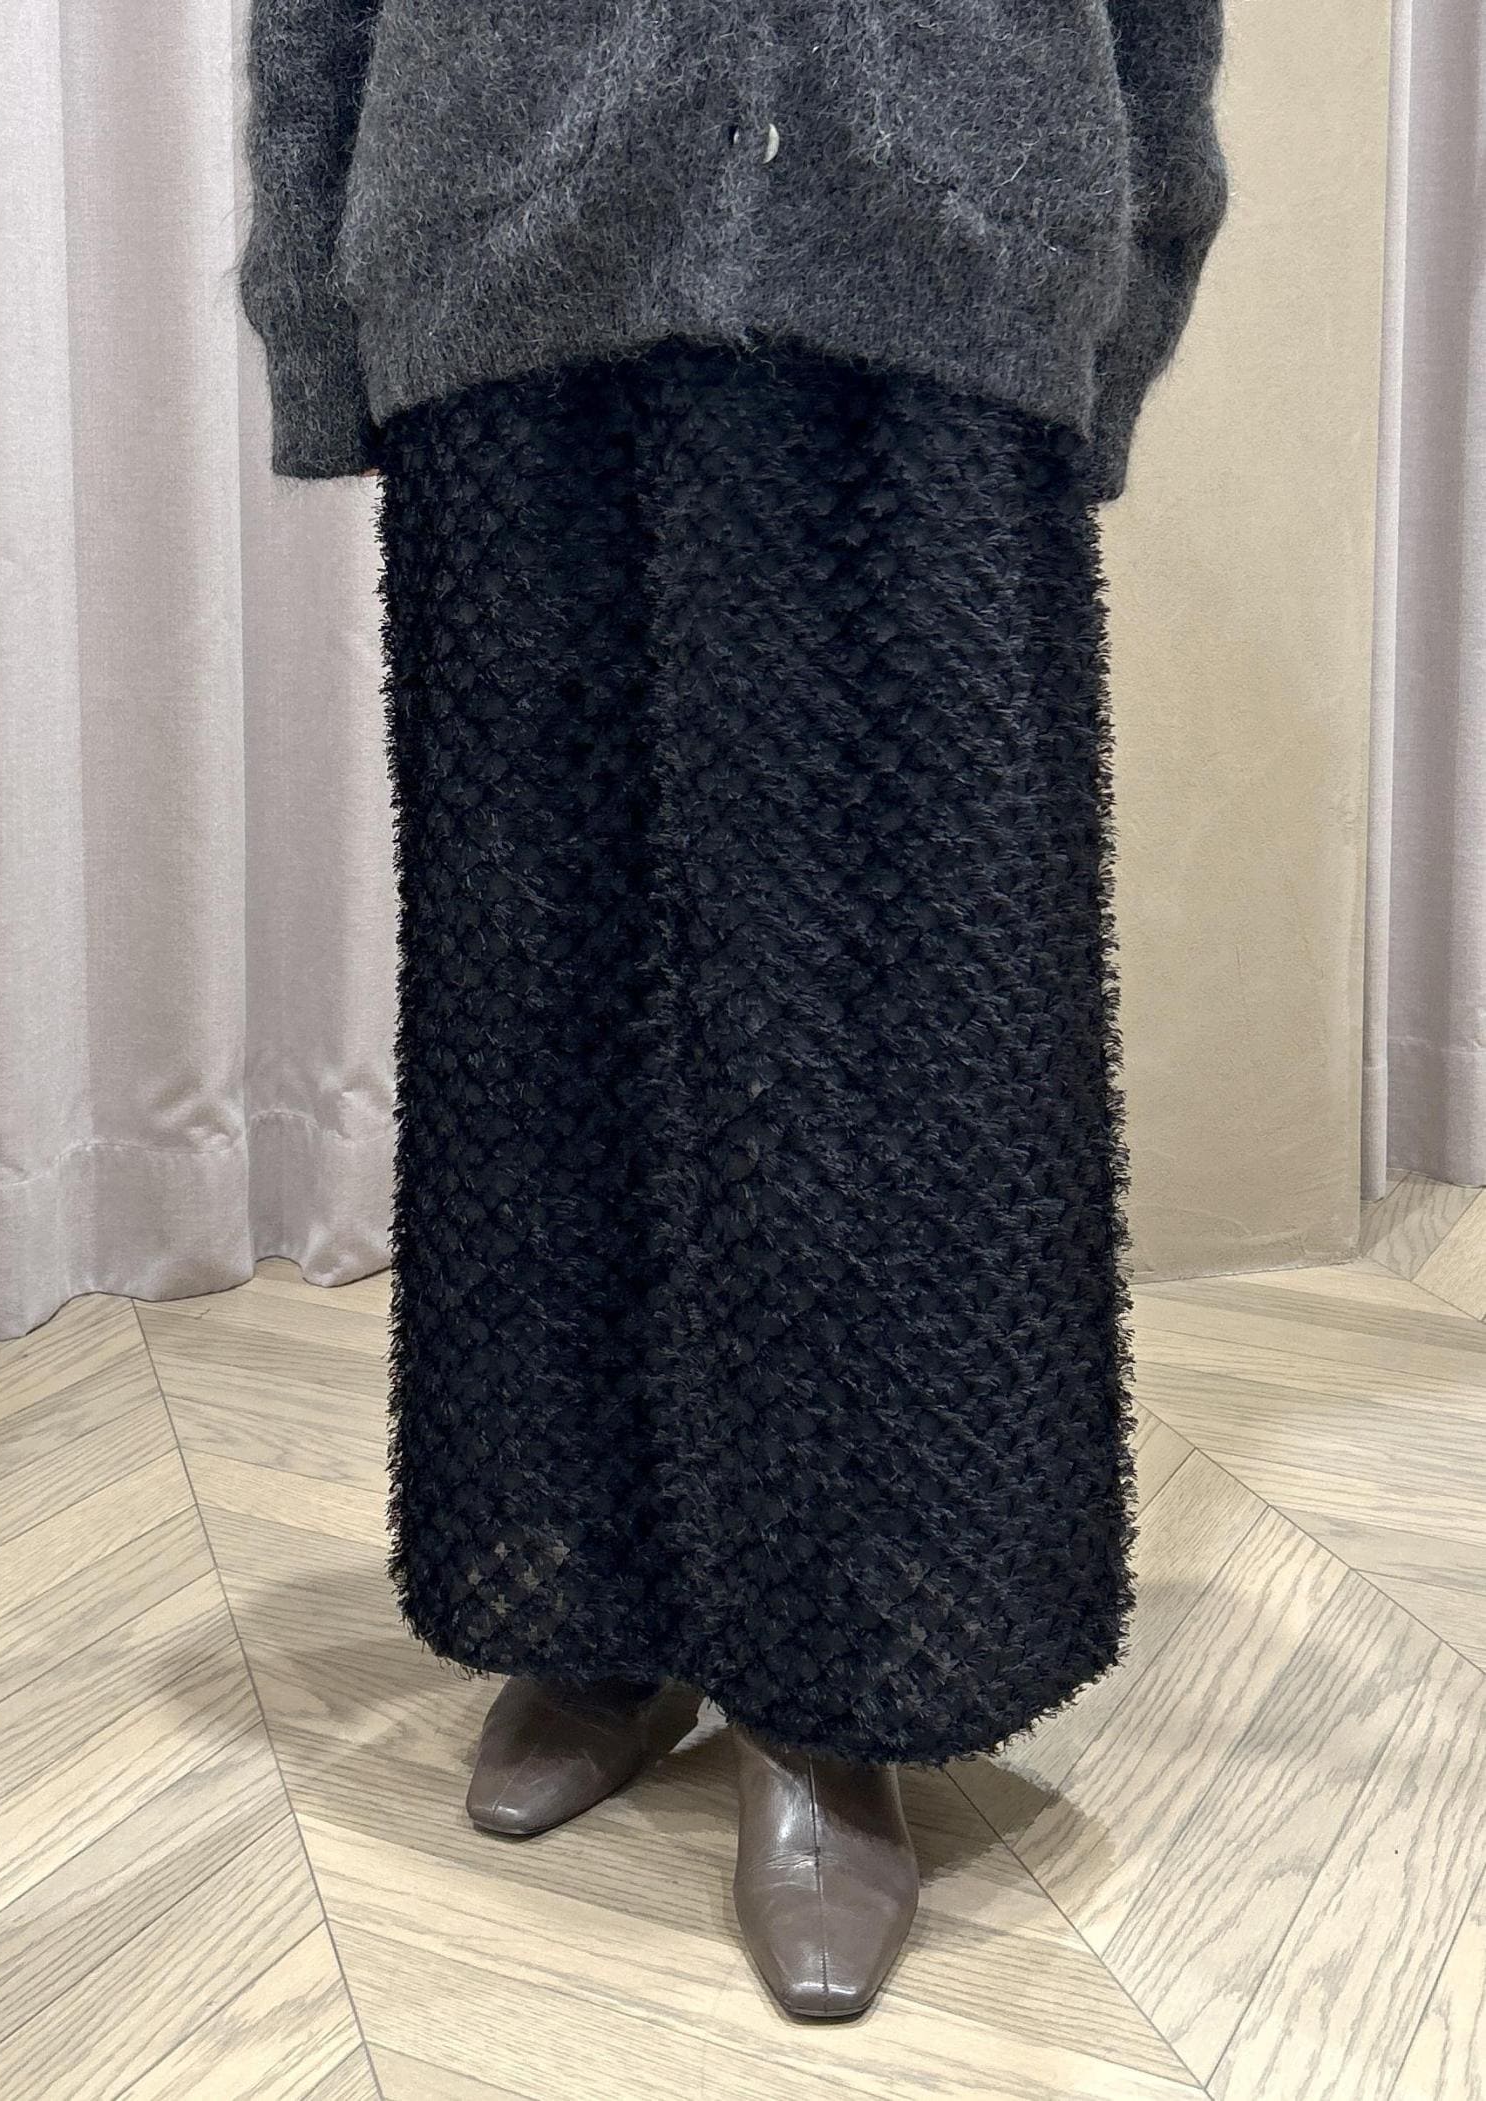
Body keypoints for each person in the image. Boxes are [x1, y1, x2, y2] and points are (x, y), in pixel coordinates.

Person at [238, 0, 1229, 2020]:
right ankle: (591, 1594)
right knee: (537, 985)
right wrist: (318, 310)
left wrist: (1114, 302)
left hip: (933, 239)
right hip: (514, 229)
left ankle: (838, 1667)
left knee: (894, 1028)